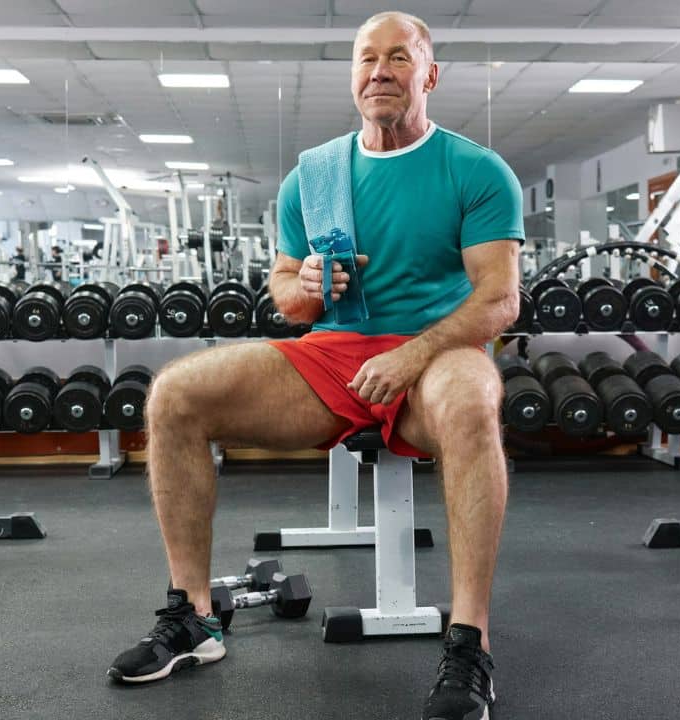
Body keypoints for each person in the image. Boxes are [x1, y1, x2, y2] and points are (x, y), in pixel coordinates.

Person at [109, 11, 523, 720]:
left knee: (470, 401)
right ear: (353, 75)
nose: (381, 71)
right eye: (367, 59)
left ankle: (468, 640)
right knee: (174, 395)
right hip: (332, 355)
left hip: (437, 355)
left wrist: (415, 352)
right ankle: (193, 618)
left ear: (430, 74)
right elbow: (284, 294)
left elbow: (498, 299)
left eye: (399, 58)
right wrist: (300, 288)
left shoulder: (477, 171)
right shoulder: (315, 175)